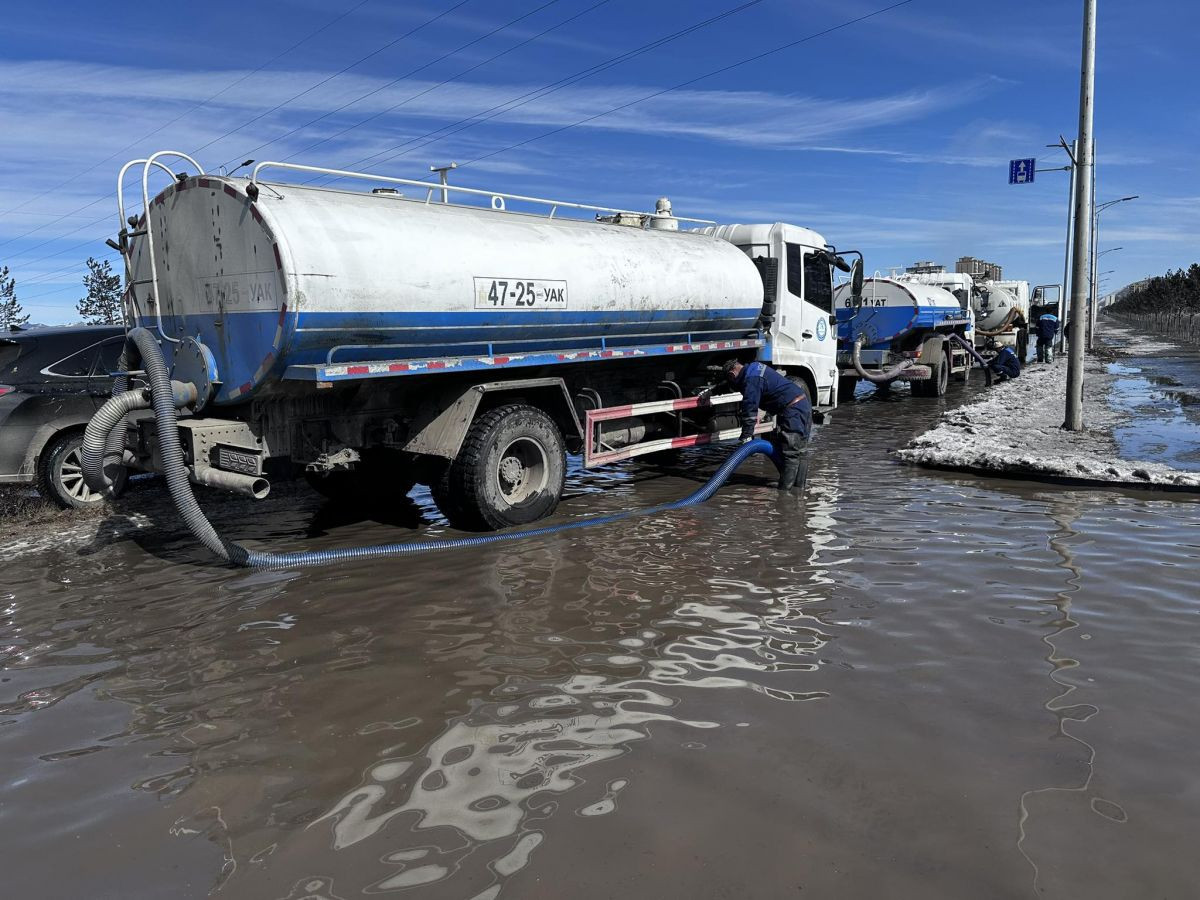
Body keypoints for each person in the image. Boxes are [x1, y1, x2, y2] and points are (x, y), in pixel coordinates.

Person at [721, 358, 812, 491]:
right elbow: (729, 386)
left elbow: (750, 411)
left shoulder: (751, 380)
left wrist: (746, 437)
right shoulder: (753, 368)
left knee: (790, 453)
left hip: (793, 410)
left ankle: (785, 493)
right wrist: (711, 392)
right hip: (802, 404)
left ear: (732, 375)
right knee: (801, 451)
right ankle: (799, 491)